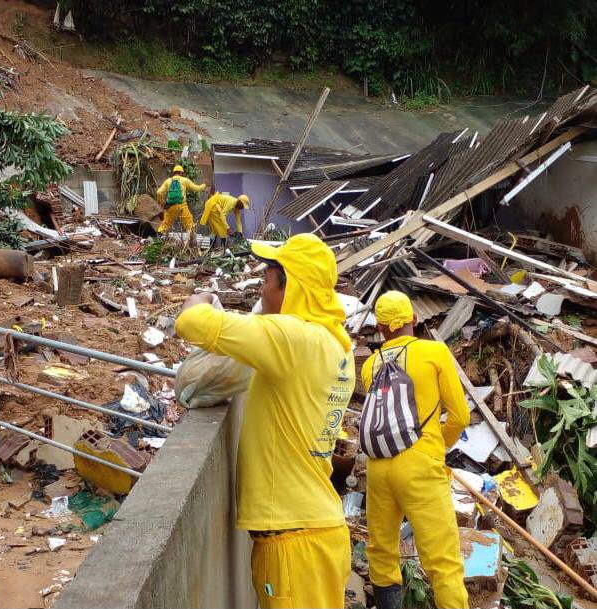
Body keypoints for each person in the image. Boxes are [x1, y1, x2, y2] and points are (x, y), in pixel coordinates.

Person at [175, 233, 355, 609]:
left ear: (289, 286)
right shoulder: (335, 345)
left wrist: (201, 299)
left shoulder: (292, 338)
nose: (261, 292)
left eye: (266, 281)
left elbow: (192, 323)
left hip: (294, 542)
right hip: (317, 529)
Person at [360, 290, 471, 609]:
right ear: (414, 319)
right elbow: (460, 415)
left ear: (381, 328)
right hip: (420, 464)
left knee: (381, 552)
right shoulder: (434, 352)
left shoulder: (370, 365)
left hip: (379, 466)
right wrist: (436, 445)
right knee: (443, 562)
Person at [156, 164, 206, 233]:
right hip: (182, 206)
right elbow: (196, 188)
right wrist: (203, 185)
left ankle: (159, 236)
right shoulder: (184, 180)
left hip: (170, 206)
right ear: (181, 173)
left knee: (165, 225)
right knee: (189, 225)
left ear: (173, 172)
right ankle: (191, 241)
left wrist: (161, 202)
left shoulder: (168, 181)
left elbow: (159, 192)